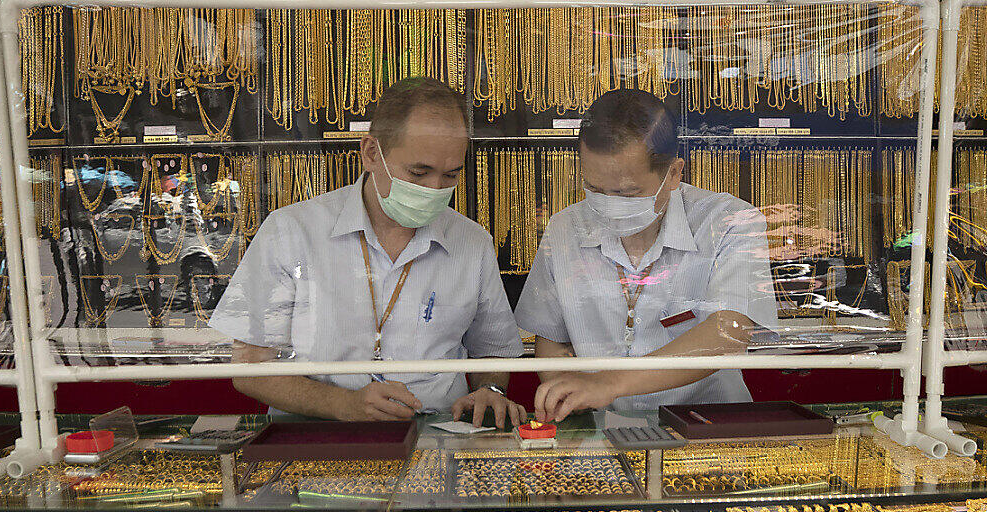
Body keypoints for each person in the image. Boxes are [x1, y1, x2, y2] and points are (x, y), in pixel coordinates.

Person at [210, 77, 526, 428]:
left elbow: (493, 348)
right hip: (314, 438)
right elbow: (250, 368)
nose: (435, 190)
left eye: (451, 175)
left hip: (436, 437)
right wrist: (342, 404)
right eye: (418, 173)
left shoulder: (472, 243)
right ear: (371, 153)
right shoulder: (291, 232)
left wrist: (491, 389)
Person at [514, 89, 776, 422]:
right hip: (605, 433)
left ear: (674, 173)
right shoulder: (565, 228)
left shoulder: (729, 221)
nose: (608, 203)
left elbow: (730, 330)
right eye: (594, 188)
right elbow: (550, 337)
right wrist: (570, 394)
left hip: (709, 428)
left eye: (627, 192)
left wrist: (609, 383)